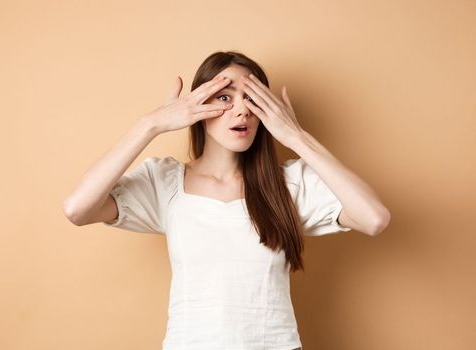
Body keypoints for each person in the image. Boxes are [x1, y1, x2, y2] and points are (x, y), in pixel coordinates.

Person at [61, 51, 391, 350]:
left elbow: (374, 218)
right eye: (224, 97)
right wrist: (151, 125)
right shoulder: (166, 184)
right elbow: (78, 209)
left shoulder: (288, 186)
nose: (242, 110)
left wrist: (296, 136)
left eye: (252, 99)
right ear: (198, 107)